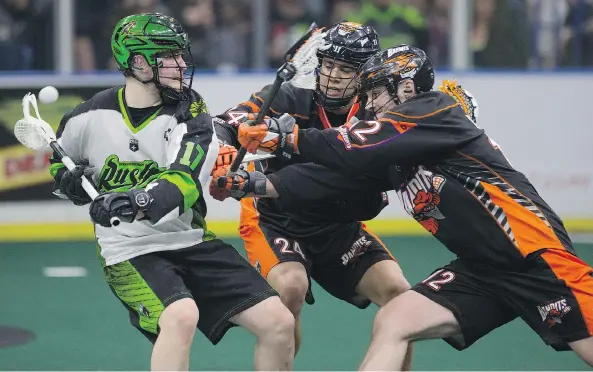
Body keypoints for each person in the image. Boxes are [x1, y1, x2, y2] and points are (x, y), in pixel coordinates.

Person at [232, 44, 593, 370]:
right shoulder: (397, 157)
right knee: (395, 320)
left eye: (375, 93)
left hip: (534, 258)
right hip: (481, 272)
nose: (369, 105)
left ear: (405, 87)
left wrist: (286, 138)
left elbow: (349, 144)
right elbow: (334, 179)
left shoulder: (434, 109)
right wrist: (253, 183)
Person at [49, 13, 295, 371]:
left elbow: (182, 181)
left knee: (279, 323)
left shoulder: (191, 111)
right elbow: (61, 165)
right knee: (180, 316)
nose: (181, 64)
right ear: (137, 62)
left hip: (190, 240)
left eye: (181, 54)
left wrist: (136, 200)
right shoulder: (87, 115)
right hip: (129, 249)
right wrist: (69, 181)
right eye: (169, 56)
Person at [210, 21, 413, 366]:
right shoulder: (292, 95)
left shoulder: (377, 112)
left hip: (338, 224)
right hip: (274, 219)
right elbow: (229, 119)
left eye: (346, 68)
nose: (333, 75)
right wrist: (231, 142)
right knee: (290, 289)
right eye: (329, 65)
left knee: (402, 299)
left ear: (366, 73)